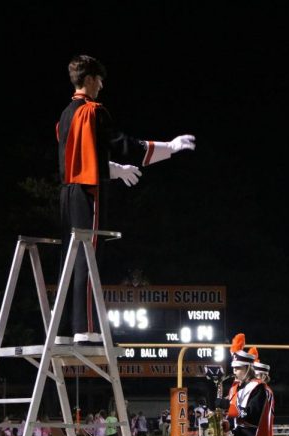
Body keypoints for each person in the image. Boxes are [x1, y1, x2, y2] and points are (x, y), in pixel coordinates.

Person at [56, 55, 195, 344]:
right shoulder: (94, 111)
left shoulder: (66, 115)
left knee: (69, 260)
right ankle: (86, 328)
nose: (102, 85)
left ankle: (63, 331)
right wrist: (169, 147)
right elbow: (125, 146)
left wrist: (115, 171)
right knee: (88, 258)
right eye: (100, 79)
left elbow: (77, 159)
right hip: (88, 193)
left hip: (67, 194)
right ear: (91, 79)